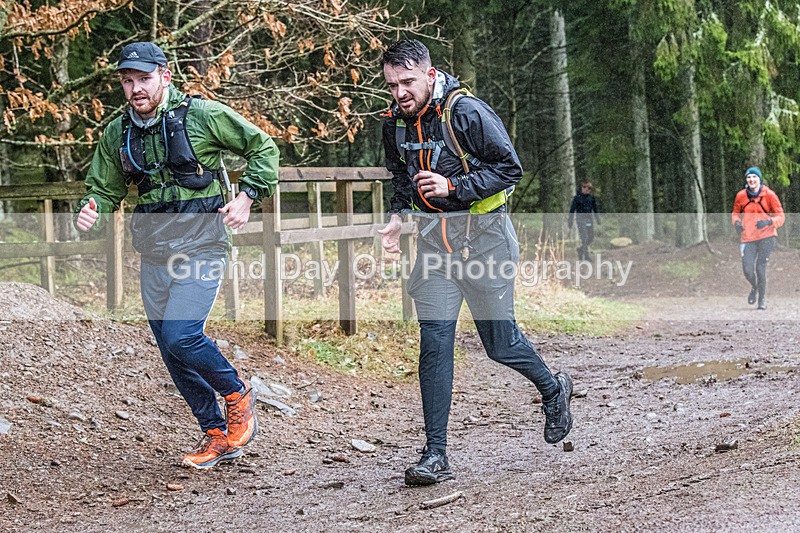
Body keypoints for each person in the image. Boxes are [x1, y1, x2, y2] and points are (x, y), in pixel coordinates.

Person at [378, 39, 574, 486]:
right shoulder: (394, 124)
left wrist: (453, 188)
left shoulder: (467, 113)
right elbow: (401, 179)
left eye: (408, 82)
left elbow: (509, 169)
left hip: (485, 244)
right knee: (436, 342)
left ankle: (552, 388)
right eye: (392, 85)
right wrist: (399, 218)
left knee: (500, 345)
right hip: (434, 249)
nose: (400, 93)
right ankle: (436, 453)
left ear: (430, 75)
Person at [74, 42, 279, 468]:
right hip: (153, 252)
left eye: (144, 79)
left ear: (165, 76)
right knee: (171, 351)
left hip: (202, 243)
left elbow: (264, 149)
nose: (135, 89)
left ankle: (237, 393)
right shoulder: (118, 132)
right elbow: (105, 186)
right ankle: (215, 434)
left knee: (182, 335)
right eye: (127, 82)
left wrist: (247, 196)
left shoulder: (202, 116)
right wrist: (94, 205)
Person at [731, 166, 784, 310]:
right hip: (748, 237)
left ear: (759, 179)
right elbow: (735, 213)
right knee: (747, 270)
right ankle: (755, 287)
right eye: (749, 177)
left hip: (767, 236)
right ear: (746, 180)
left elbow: (781, 216)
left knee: (760, 267)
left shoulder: (770, 195)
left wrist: (769, 222)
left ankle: (762, 299)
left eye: (754, 177)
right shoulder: (741, 196)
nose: (751, 180)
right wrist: (736, 223)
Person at [568, 181, 601, 261]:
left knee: (591, 237)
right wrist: (570, 221)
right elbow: (572, 210)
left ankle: (580, 250)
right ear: (582, 187)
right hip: (580, 220)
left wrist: (597, 219)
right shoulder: (577, 198)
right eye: (587, 187)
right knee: (584, 238)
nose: (588, 189)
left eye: (590, 188)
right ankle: (586, 256)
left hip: (589, 220)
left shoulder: (591, 198)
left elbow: (595, 209)